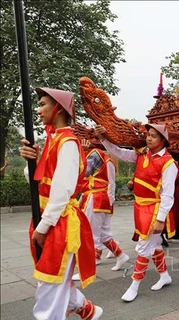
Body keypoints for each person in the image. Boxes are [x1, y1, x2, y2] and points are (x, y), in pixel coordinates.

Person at [20, 87, 102, 319]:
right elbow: (36, 181)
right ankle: (88, 311)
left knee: (48, 288)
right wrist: (31, 161)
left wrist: (43, 226)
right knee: (51, 282)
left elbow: (62, 191)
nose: (38, 110)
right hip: (48, 217)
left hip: (59, 222)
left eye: (43, 104)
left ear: (58, 108)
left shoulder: (67, 142)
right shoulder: (52, 140)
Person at [94, 123, 177, 302]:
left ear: (163, 140)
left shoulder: (169, 163)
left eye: (154, 136)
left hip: (154, 210)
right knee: (154, 245)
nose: (148, 138)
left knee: (143, 247)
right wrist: (103, 138)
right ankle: (164, 276)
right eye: (148, 134)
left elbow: (168, 196)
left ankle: (134, 285)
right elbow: (119, 152)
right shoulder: (141, 154)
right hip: (140, 208)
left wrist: (160, 219)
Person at [72, 140, 129, 280]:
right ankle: (121, 255)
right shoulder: (104, 157)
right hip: (98, 197)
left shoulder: (95, 154)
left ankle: (87, 270)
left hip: (95, 197)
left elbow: (82, 172)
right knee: (103, 234)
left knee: (89, 235)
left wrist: (81, 153)